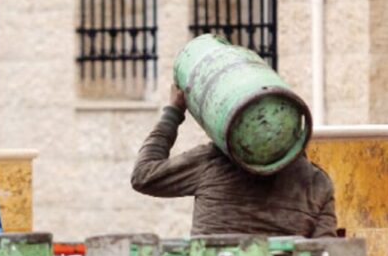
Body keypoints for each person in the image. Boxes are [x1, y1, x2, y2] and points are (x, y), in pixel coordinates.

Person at [130, 83, 337, 238]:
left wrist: (174, 112)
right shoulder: (316, 182)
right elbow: (326, 254)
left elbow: (143, 175)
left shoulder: (213, 160)